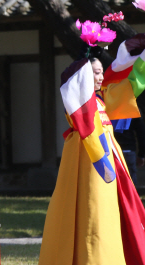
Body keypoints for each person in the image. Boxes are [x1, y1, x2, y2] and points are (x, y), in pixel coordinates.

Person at [39, 42, 145, 265]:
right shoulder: (78, 103)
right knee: (92, 212)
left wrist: (141, 60)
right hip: (87, 160)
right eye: (95, 73)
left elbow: (129, 87)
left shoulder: (101, 99)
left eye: (100, 73)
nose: (100, 78)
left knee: (110, 213)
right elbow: (87, 125)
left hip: (108, 159)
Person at [112, 116, 145, 186]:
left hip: (113, 150)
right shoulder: (132, 112)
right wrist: (141, 155)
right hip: (128, 150)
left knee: (115, 180)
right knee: (130, 181)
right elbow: (141, 134)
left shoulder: (108, 109)